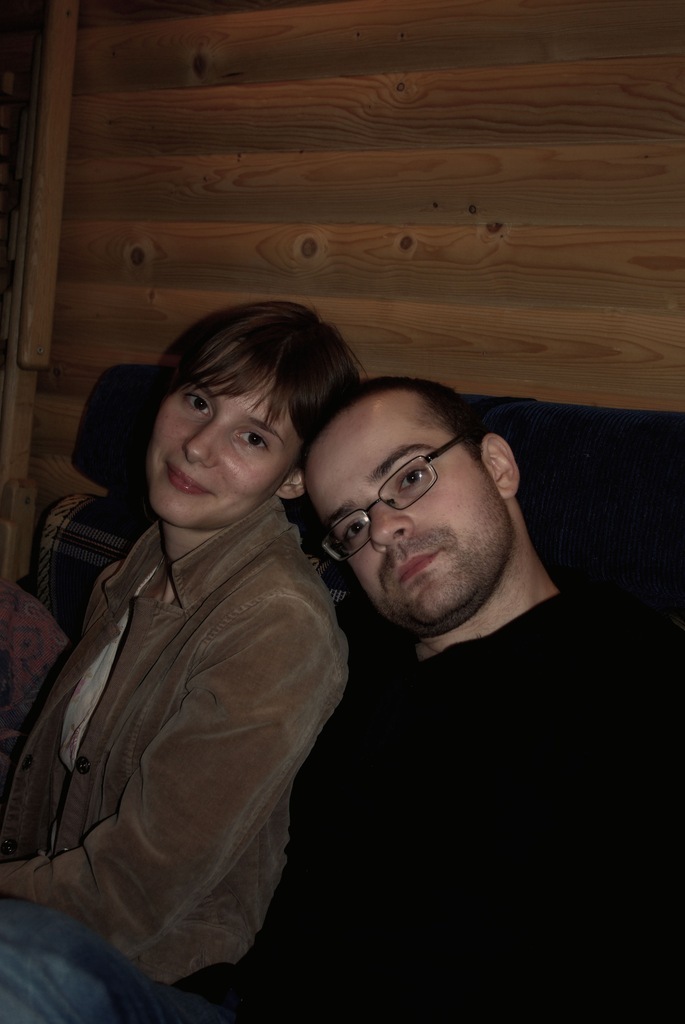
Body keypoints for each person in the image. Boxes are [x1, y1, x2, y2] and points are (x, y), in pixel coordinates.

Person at [0, 374, 681, 1021]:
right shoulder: (345, 645)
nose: (382, 529)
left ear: (498, 466)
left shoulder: (633, 678)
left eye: (409, 477)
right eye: (351, 524)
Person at [0, 300, 361, 997]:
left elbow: (125, 898)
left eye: (252, 437)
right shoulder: (144, 560)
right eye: (197, 401)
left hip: (162, 979)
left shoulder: (280, 629)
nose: (197, 446)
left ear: (294, 477)